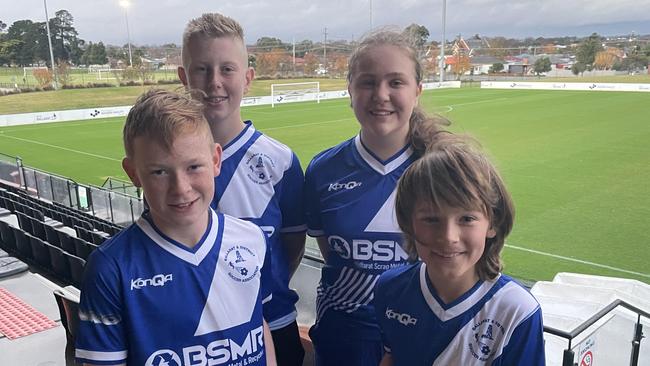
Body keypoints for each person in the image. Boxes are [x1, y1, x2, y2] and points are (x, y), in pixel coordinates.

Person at [75, 89, 276, 366]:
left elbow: (259, 323)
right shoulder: (111, 268)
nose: (181, 189)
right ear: (133, 173)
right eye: (159, 172)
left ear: (216, 160)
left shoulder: (251, 239)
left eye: (194, 166)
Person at [303, 29, 449, 365]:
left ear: (418, 91)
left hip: (421, 335)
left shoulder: (441, 171)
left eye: (396, 82)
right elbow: (333, 255)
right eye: (367, 82)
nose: (381, 95)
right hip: (343, 335)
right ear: (350, 90)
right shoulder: (324, 170)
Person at [177, 13, 307, 366]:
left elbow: (291, 246)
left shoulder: (280, 162)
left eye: (227, 69)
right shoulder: (169, 164)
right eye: (202, 69)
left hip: (274, 324)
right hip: (193, 334)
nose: (214, 81)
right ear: (183, 77)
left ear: (248, 78)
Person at [374, 134, 545, 365]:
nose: (448, 237)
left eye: (466, 218)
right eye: (431, 219)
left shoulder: (517, 311)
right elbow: (392, 356)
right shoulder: (390, 288)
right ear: (408, 224)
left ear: (492, 223)